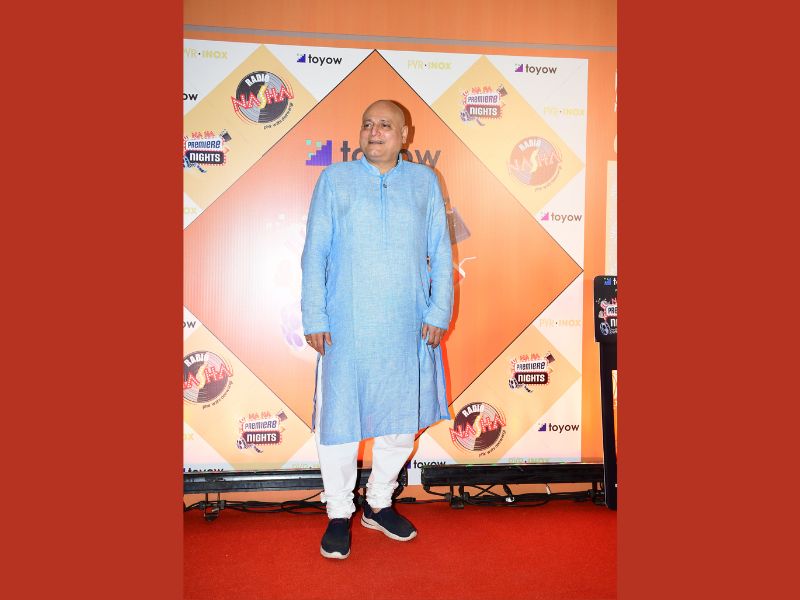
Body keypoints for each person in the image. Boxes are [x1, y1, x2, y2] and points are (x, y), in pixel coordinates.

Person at [301, 99, 454, 559]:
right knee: (341, 423)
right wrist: (314, 315)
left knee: (401, 423)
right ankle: (338, 512)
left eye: (385, 125)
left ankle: (379, 503)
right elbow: (314, 253)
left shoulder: (424, 182)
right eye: (367, 124)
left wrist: (439, 311)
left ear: (405, 135)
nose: (374, 131)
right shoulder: (334, 180)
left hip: (407, 326)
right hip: (345, 326)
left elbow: (441, 252)